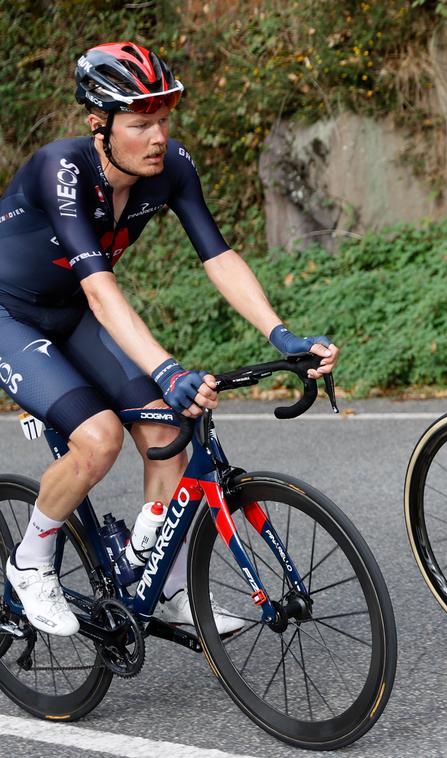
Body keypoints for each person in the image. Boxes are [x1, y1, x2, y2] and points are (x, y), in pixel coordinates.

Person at [0, 42, 338, 636]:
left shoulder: (172, 166)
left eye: (163, 120)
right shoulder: (63, 170)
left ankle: (169, 582)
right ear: (98, 125)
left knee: (166, 431)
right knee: (99, 439)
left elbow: (219, 257)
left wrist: (281, 334)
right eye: (140, 124)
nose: (157, 136)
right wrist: (166, 370)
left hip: (72, 310)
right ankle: (31, 563)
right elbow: (104, 293)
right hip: (10, 315)